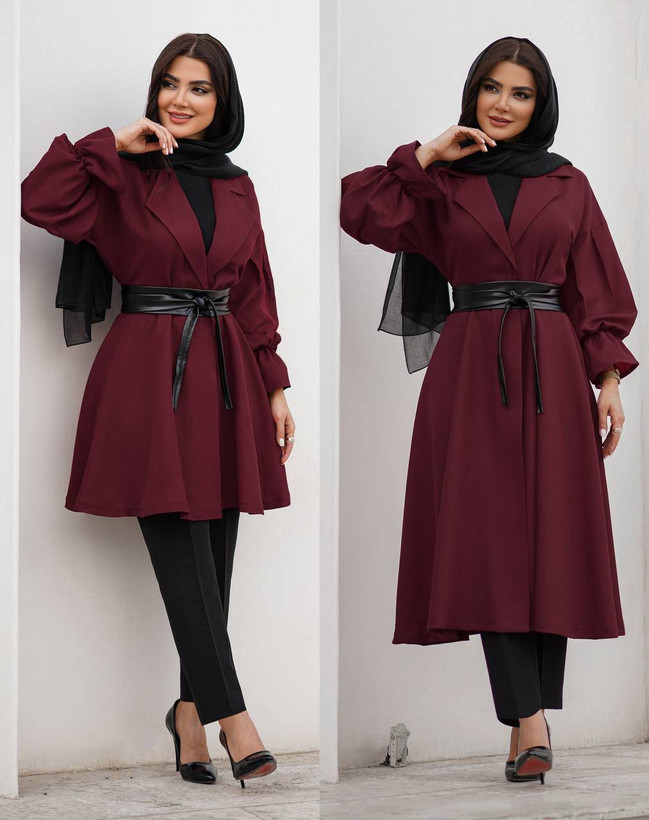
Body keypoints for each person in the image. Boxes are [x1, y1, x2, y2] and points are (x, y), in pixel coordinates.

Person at [340, 35, 639, 784]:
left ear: (541, 105)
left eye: (520, 93)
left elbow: (594, 285)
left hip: (553, 367)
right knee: (489, 541)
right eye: (492, 88)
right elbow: (357, 207)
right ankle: (530, 720)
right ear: (473, 93)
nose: (503, 104)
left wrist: (607, 379)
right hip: (471, 369)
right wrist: (428, 154)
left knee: (547, 541)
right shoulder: (439, 183)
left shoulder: (568, 184)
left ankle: (524, 725)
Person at [21, 32, 296, 787]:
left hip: (227, 371)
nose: (180, 98)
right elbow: (39, 198)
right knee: (180, 543)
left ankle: (188, 714)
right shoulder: (121, 173)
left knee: (217, 554)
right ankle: (235, 717)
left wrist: (274, 384)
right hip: (147, 371)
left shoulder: (238, 185)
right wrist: (111, 143)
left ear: (222, 100)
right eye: (170, 83)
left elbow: (253, 288)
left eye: (199, 87)